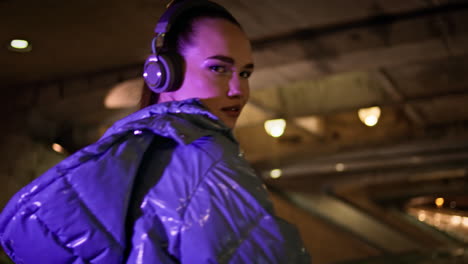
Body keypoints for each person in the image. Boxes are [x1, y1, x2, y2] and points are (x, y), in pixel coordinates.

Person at [0, 0, 311, 263]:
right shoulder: (206, 157)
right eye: (218, 68)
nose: (238, 90)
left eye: (244, 73)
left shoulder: (124, 158)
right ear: (163, 72)